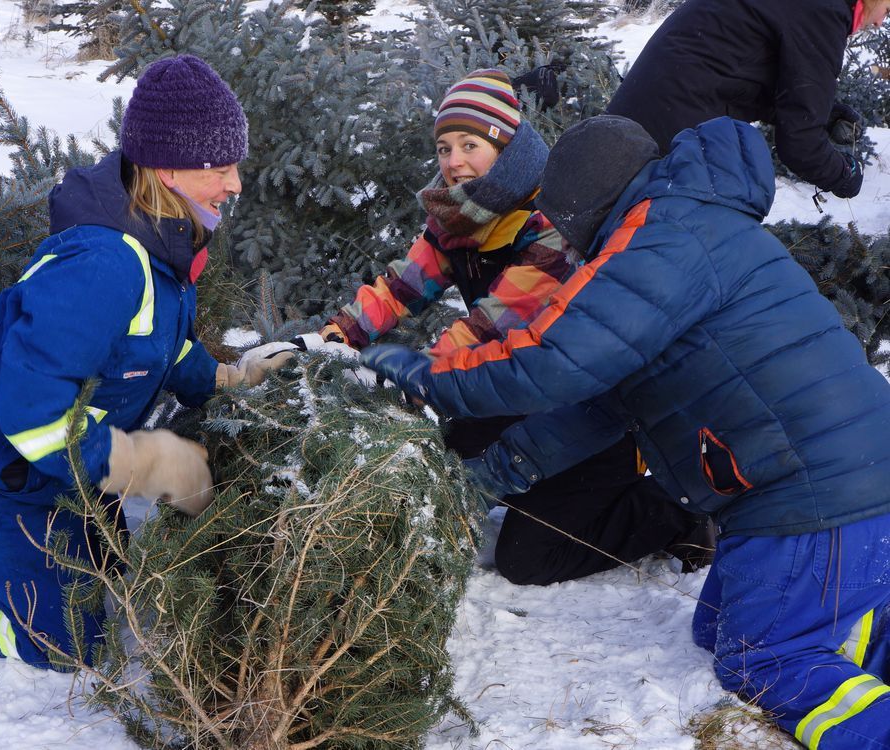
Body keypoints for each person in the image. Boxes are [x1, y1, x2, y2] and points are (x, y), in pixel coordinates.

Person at [360, 114, 890, 748]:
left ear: (587, 204)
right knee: (717, 629)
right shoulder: (680, 228)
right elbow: (600, 407)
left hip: (816, 496)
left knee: (764, 660)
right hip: (844, 481)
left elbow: (550, 364)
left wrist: (419, 374)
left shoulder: (658, 243)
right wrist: (484, 478)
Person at [242, 69, 712, 585]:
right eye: (444, 148)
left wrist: (399, 378)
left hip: (584, 415)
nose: (453, 161)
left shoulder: (550, 223)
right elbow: (401, 288)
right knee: (436, 446)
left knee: (527, 560)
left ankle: (675, 512)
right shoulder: (460, 217)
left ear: (506, 149)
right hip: (519, 390)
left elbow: (490, 328)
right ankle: (527, 488)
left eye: (470, 145)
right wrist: (329, 338)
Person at [0, 55, 292, 670]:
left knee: (111, 570)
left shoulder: (165, 238)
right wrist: (143, 461)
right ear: (167, 169)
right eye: (219, 169)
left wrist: (225, 378)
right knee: (66, 644)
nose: (235, 184)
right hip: (1, 462)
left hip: (64, 461)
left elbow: (162, 346)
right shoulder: (103, 267)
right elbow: (32, 414)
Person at [515, 0, 890, 199]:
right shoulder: (823, 10)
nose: (878, 23)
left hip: (642, 117)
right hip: (665, 143)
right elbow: (800, 147)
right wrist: (845, 175)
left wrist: (824, 114)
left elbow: (737, 74)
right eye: (887, 10)